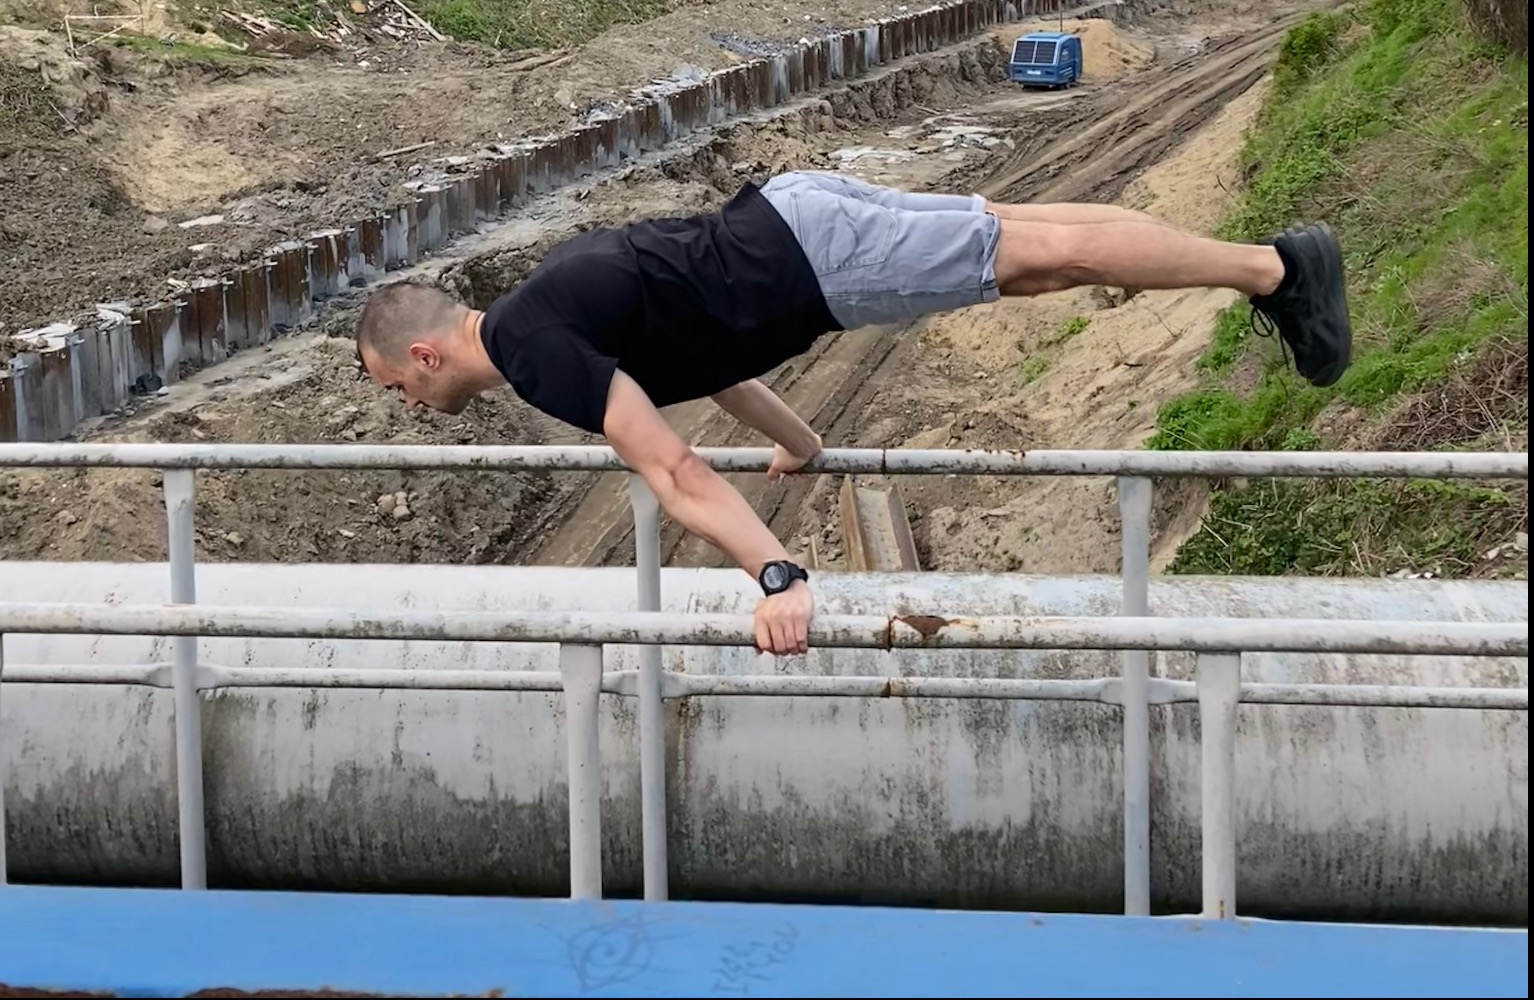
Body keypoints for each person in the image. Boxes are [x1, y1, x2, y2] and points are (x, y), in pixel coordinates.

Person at [355, 170, 1350, 655]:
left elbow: (672, 470)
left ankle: (1272, 269)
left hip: (813, 262)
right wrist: (799, 440)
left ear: (426, 353)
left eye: (400, 385)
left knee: (1043, 257)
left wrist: (777, 573)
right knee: (1032, 239)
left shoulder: (532, 354)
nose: (412, 402)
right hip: (792, 212)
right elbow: (707, 364)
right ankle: (1265, 264)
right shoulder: (541, 305)